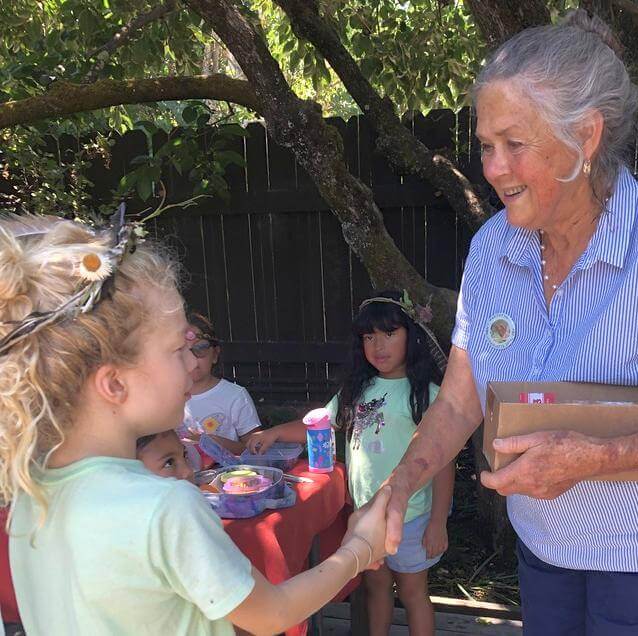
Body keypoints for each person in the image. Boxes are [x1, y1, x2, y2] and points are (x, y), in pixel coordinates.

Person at [379, 9, 638, 636]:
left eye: (515, 144)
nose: (494, 168)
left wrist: (597, 457)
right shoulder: (492, 250)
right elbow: (458, 402)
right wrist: (401, 485)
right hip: (545, 553)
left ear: (585, 137)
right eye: (485, 145)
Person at [0, 213, 390, 636]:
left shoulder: (29, 501)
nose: (192, 364)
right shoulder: (167, 508)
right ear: (114, 383)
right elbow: (274, 614)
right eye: (175, 350)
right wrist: (359, 548)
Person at [246, 290, 454, 636]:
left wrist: (438, 523)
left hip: (413, 516)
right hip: (365, 513)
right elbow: (319, 425)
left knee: (413, 592)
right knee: (375, 588)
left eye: (389, 334)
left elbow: (443, 462)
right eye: (369, 337)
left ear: (411, 336)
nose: (378, 345)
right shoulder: (356, 390)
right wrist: (274, 433)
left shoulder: (427, 394)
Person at [178, 312, 261, 455]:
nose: (191, 358)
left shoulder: (235, 396)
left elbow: (255, 448)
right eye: (181, 350)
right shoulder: (164, 399)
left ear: (215, 354)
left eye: (200, 348)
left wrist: (213, 442)